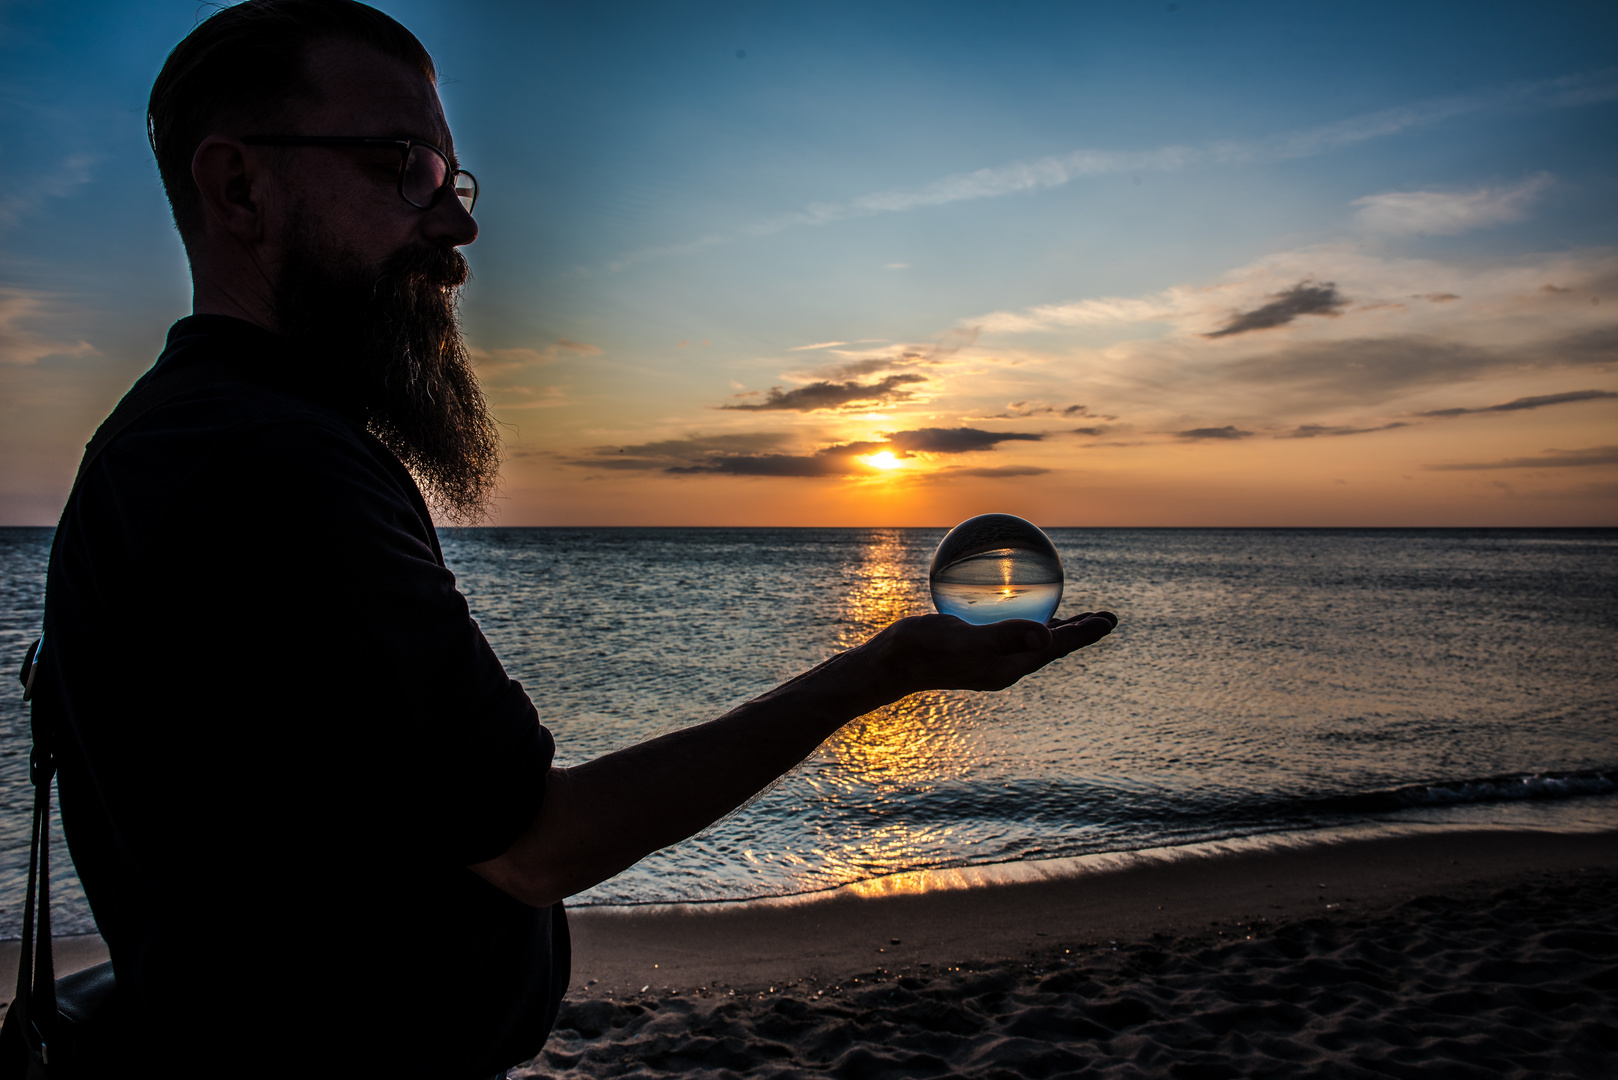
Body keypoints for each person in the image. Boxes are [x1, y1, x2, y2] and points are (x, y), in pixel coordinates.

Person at [33, 2, 1117, 1076]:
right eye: (400, 163)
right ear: (239, 187)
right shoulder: (267, 461)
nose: (454, 226)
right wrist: (883, 670)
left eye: (450, 181)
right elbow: (534, 845)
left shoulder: (175, 440)